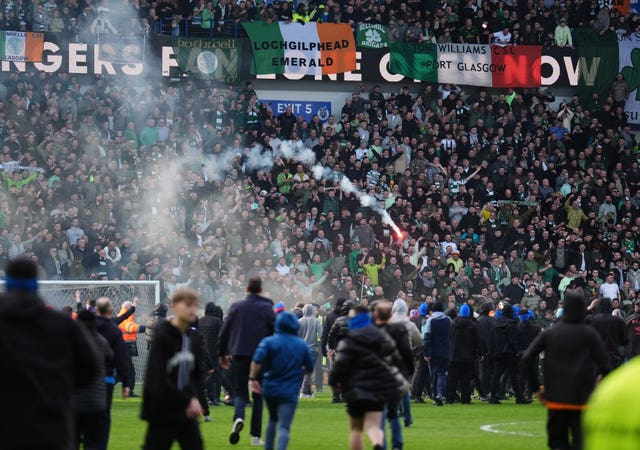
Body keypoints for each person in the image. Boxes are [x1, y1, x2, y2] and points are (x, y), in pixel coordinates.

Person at [0, 258, 99, 450]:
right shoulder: (60, 323)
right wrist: (59, 386)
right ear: (36, 282)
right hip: (49, 425)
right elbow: (90, 368)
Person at [522, 290, 610, 450]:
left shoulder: (550, 332)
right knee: (581, 442)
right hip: (582, 398)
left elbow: (527, 358)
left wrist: (535, 389)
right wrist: (598, 382)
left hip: (556, 398)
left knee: (558, 443)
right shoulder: (589, 334)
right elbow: (606, 364)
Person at [329, 305, 409, 450]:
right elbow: (395, 360)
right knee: (374, 425)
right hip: (377, 388)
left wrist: (334, 383)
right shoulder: (381, 337)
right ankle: (377, 443)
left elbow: (339, 365)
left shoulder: (349, 340)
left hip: (355, 389)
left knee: (356, 429)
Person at [141, 288, 205, 450]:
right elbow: (156, 378)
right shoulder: (162, 337)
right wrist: (187, 399)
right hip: (163, 410)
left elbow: (196, 374)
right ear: (174, 306)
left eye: (195, 306)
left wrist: (195, 397)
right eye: (188, 305)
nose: (193, 310)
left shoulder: (193, 339)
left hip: (186, 411)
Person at [219, 277, 276, 446]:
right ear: (260, 290)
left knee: (240, 393)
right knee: (258, 394)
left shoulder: (236, 306)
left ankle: (238, 417)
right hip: (260, 356)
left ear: (247, 289)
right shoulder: (266, 308)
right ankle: (255, 436)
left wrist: (221, 354)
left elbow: (224, 332)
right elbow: (275, 331)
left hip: (239, 355)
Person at [249, 311, 315, 450]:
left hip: (270, 389)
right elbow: (309, 367)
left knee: (272, 420)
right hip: (290, 390)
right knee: (284, 426)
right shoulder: (301, 345)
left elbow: (256, 361)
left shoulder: (268, 342)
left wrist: (253, 378)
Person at [374, 301, 415, 450]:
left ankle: (381, 444)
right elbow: (407, 352)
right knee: (393, 414)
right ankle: (397, 444)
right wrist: (410, 370)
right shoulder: (401, 329)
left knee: (381, 414)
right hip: (397, 374)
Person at [73, 309, 113, 450]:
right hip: (95, 401)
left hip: (73, 401)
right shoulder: (101, 341)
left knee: (71, 441)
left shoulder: (70, 340)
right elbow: (110, 358)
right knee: (94, 443)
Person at [95, 297, 131, 450]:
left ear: (96, 310)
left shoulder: (85, 327)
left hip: (86, 379)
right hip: (106, 379)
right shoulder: (114, 330)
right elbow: (122, 357)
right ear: (110, 311)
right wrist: (126, 383)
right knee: (103, 416)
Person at [489, 303, 531, 404]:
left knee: (497, 374)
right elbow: (512, 340)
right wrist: (516, 351)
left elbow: (492, 338)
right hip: (510, 352)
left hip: (499, 352)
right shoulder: (512, 323)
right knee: (513, 375)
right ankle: (520, 397)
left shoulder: (496, 322)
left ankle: (493, 396)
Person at [446, 303, 480, 404]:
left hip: (453, 355)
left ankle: (449, 398)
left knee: (452, 378)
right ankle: (465, 398)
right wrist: (480, 352)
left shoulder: (452, 323)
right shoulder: (473, 325)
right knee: (466, 379)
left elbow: (448, 339)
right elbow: (478, 341)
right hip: (468, 356)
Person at [422, 301, 451, 406]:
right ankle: (440, 394)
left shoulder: (430, 320)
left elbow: (427, 338)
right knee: (442, 373)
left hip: (433, 351)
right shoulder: (448, 320)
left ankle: (435, 395)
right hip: (446, 351)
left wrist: (425, 352)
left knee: (434, 374)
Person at [117, 297, 146, 397]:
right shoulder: (126, 317)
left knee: (126, 369)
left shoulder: (123, 315)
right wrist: (147, 328)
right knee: (128, 370)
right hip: (125, 346)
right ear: (127, 308)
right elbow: (131, 328)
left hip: (123, 346)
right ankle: (128, 390)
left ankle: (128, 390)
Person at [198, 302, 223, 405]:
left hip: (202, 350)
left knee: (205, 373)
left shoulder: (200, 321)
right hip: (213, 351)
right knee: (215, 373)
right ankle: (205, 393)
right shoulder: (217, 321)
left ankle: (210, 397)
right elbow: (221, 336)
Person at [298, 303, 322, 398]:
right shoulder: (316, 321)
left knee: (302, 370)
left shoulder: (299, 321)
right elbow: (321, 335)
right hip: (312, 349)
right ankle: (304, 392)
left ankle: (307, 392)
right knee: (309, 371)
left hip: (300, 349)